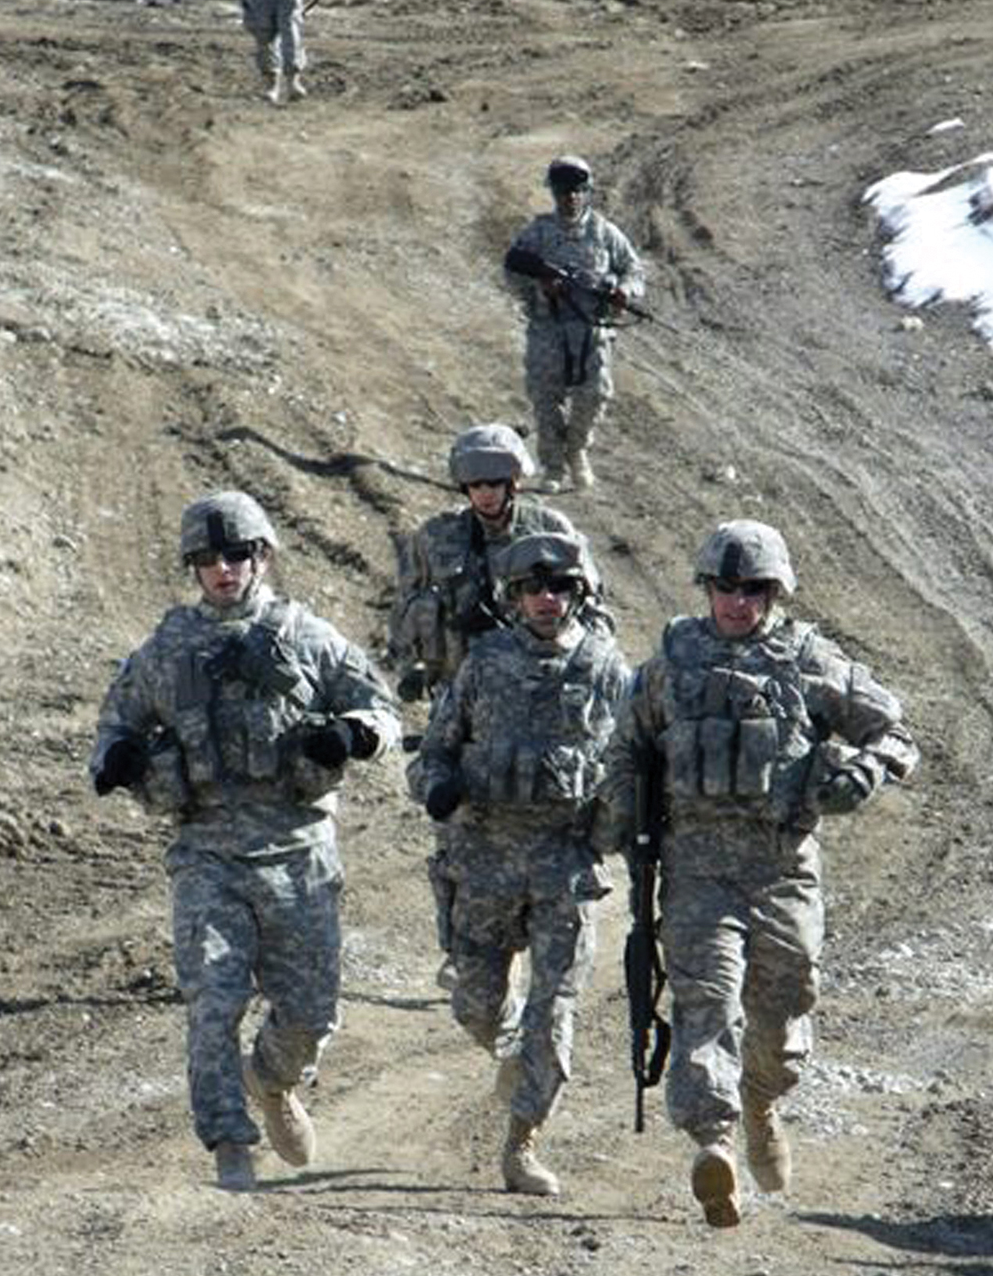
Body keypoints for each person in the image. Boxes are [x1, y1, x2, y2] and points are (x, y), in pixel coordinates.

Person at [596, 519, 918, 1228]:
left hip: (782, 872)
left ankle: (761, 1103)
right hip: (697, 872)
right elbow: (625, 749)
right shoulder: (673, 660)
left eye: (754, 590)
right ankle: (714, 1145)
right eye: (726, 588)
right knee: (705, 1005)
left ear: (775, 593)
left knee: (783, 1007)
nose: (739, 603)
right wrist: (627, 829)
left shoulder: (808, 660)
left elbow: (894, 731)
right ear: (707, 589)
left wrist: (868, 768)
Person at [89, 490, 400, 1193]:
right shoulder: (167, 650)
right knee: (213, 999)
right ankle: (231, 1141)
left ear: (262, 557)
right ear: (193, 568)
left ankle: (274, 1080)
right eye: (209, 559)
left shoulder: (306, 635)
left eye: (237, 555)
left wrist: (352, 734)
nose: (224, 569)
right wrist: (117, 760)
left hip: (298, 852)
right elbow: (114, 725)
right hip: (207, 855)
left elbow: (380, 705)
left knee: (311, 1014)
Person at [407, 533, 630, 1195]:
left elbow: (634, 766)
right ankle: (508, 1050)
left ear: (578, 593)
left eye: (558, 587)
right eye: (532, 588)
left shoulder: (607, 671)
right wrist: (436, 788)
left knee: (553, 1008)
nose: (545, 599)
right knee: (477, 1006)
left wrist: (624, 824)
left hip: (564, 865)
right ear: (513, 596)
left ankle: (523, 1141)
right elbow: (433, 755)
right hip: (484, 863)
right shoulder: (484, 664)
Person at [387, 422, 605, 990]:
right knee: (455, 822)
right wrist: (415, 664)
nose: (485, 494)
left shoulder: (552, 532)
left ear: (515, 481)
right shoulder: (435, 540)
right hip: (463, 692)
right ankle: (464, 946)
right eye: (474, 484)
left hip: (539, 690)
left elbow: (596, 614)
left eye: (495, 482)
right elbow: (407, 610)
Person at [504, 155, 646, 493]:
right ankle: (553, 466)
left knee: (595, 395)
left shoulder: (604, 233)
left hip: (592, 331)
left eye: (578, 191)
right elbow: (512, 269)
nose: (570, 198)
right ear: (554, 193)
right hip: (548, 328)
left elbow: (634, 270)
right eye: (564, 191)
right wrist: (538, 288)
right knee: (545, 398)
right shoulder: (537, 232)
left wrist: (623, 290)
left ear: (587, 192)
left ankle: (577, 450)